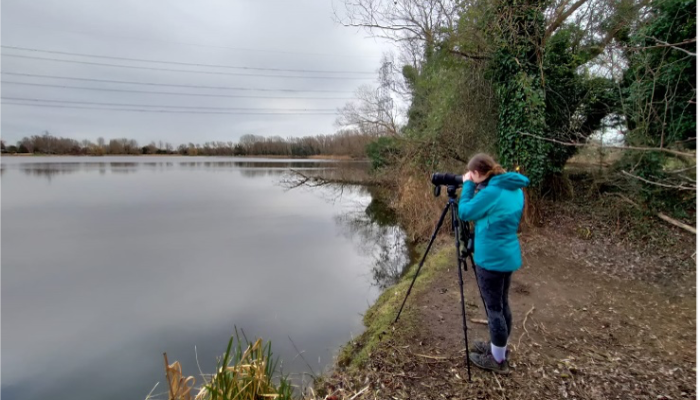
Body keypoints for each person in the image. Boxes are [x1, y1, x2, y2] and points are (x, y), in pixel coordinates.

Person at [458, 153, 529, 374]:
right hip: (507, 254)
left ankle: (498, 361)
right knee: (502, 303)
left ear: (478, 173)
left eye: (472, 174)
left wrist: (468, 186)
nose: (470, 177)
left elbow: (465, 211)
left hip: (491, 258)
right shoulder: (513, 187)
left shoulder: (492, 191)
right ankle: (500, 347)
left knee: (494, 309)